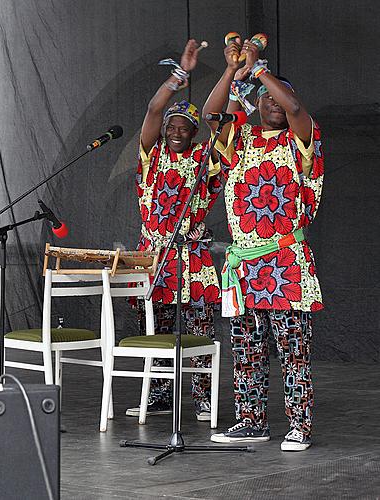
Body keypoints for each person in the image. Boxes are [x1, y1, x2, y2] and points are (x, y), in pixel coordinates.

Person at [202, 35, 324, 451]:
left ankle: (299, 426)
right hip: (244, 266)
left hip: (287, 263)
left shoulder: (303, 139)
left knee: (293, 352)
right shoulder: (242, 140)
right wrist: (233, 72)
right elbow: (211, 113)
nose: (276, 102)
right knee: (247, 350)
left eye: (281, 93)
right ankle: (251, 421)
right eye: (267, 97)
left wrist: (259, 70)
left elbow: (292, 107)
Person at [126, 39, 223, 421]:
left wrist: (233, 75)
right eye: (172, 127)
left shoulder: (204, 157)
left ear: (194, 132)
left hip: (192, 256)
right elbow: (153, 109)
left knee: (198, 330)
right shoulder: (152, 158)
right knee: (156, 329)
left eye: (184, 128)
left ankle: (203, 398)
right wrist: (179, 76)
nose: (176, 132)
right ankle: (161, 395)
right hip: (154, 256)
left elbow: (221, 124)